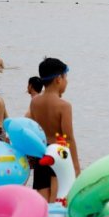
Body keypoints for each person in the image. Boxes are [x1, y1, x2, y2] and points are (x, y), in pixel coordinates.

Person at [29, 58, 81, 202]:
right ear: (59, 79)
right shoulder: (64, 106)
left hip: (41, 153)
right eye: (66, 78)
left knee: (42, 195)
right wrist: (76, 166)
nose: (67, 82)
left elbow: (35, 129)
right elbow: (68, 137)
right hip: (58, 154)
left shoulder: (35, 102)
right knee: (56, 195)